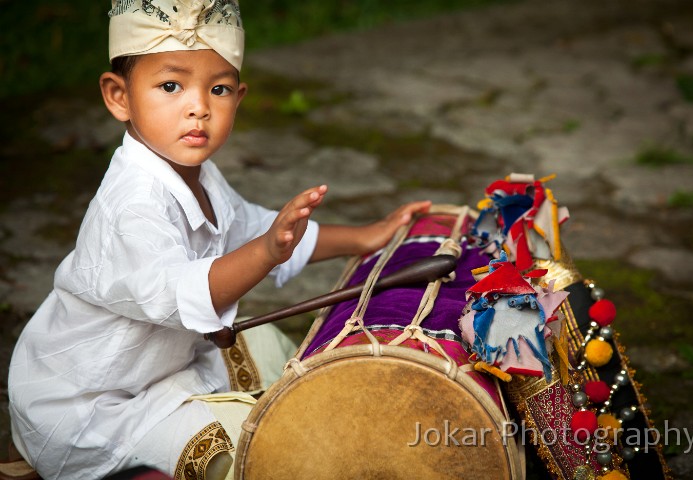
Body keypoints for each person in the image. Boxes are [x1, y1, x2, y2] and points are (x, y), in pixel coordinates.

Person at [7, 1, 431, 479]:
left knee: (270, 346)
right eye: (171, 86)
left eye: (219, 89)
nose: (198, 107)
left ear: (239, 96)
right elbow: (186, 291)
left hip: (162, 368)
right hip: (92, 406)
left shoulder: (196, 173)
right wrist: (265, 252)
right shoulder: (132, 204)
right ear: (119, 96)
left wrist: (364, 237)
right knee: (255, 444)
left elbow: (258, 228)